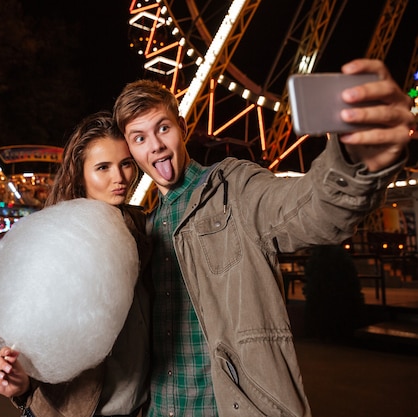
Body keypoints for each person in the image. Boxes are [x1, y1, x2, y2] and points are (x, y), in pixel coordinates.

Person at [112, 58, 415, 417]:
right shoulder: (144, 230)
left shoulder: (234, 188)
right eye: (140, 138)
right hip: (160, 409)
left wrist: (353, 160)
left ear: (182, 126)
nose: (157, 146)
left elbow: (305, 209)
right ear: (131, 150)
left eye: (163, 128)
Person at [0, 111, 151, 417]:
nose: (120, 177)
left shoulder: (145, 232)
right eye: (103, 167)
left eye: (126, 163)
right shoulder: (54, 240)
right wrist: (18, 383)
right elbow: (32, 339)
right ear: (80, 173)